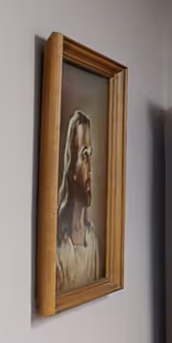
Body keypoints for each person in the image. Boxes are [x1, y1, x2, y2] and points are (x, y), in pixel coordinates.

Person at [54, 109, 101, 292]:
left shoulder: (92, 237)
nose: (90, 169)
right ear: (72, 169)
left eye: (91, 156)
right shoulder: (60, 248)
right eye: (84, 156)